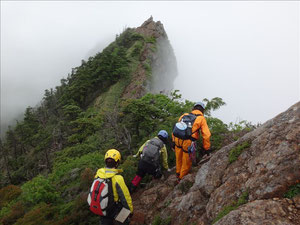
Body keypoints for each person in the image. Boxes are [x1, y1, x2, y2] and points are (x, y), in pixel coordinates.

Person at [172, 101, 211, 181]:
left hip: (178, 139)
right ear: (202, 110)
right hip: (188, 141)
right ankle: (180, 179)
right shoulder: (201, 118)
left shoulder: (184, 115)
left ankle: (178, 173)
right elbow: (206, 135)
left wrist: (173, 140)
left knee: (178, 157)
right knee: (186, 161)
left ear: (194, 108)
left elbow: (176, 127)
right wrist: (206, 148)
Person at [94, 149, 133, 225]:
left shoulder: (98, 174)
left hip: (101, 208)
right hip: (114, 209)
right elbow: (125, 197)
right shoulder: (118, 178)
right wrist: (130, 211)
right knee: (124, 218)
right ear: (117, 163)